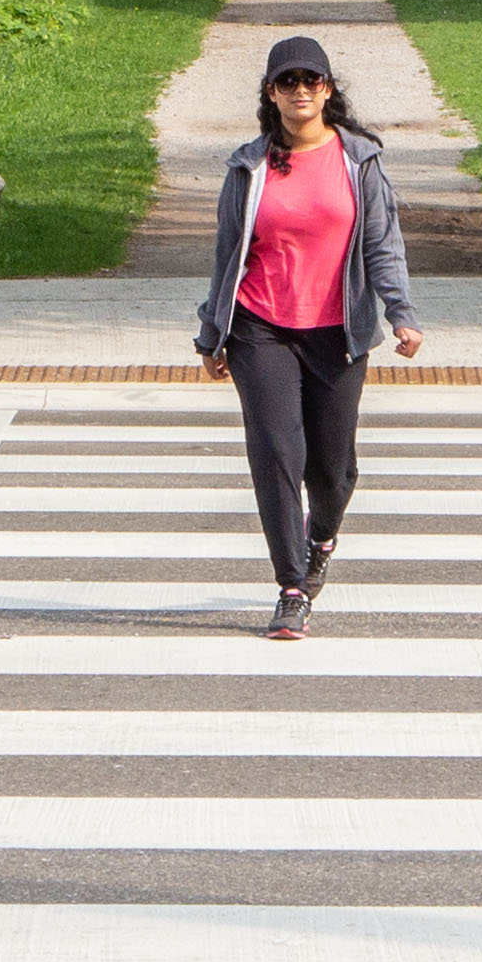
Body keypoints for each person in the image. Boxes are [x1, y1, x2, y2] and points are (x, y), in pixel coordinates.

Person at [191, 34, 424, 640]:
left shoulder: (359, 161)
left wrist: (400, 312)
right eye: (287, 82)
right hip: (259, 328)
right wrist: (211, 332)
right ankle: (291, 587)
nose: (300, 91)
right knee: (276, 455)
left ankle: (322, 537)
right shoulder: (249, 165)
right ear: (271, 93)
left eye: (311, 81)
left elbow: (382, 244)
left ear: (328, 90)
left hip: (337, 332)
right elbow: (227, 254)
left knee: (332, 470)